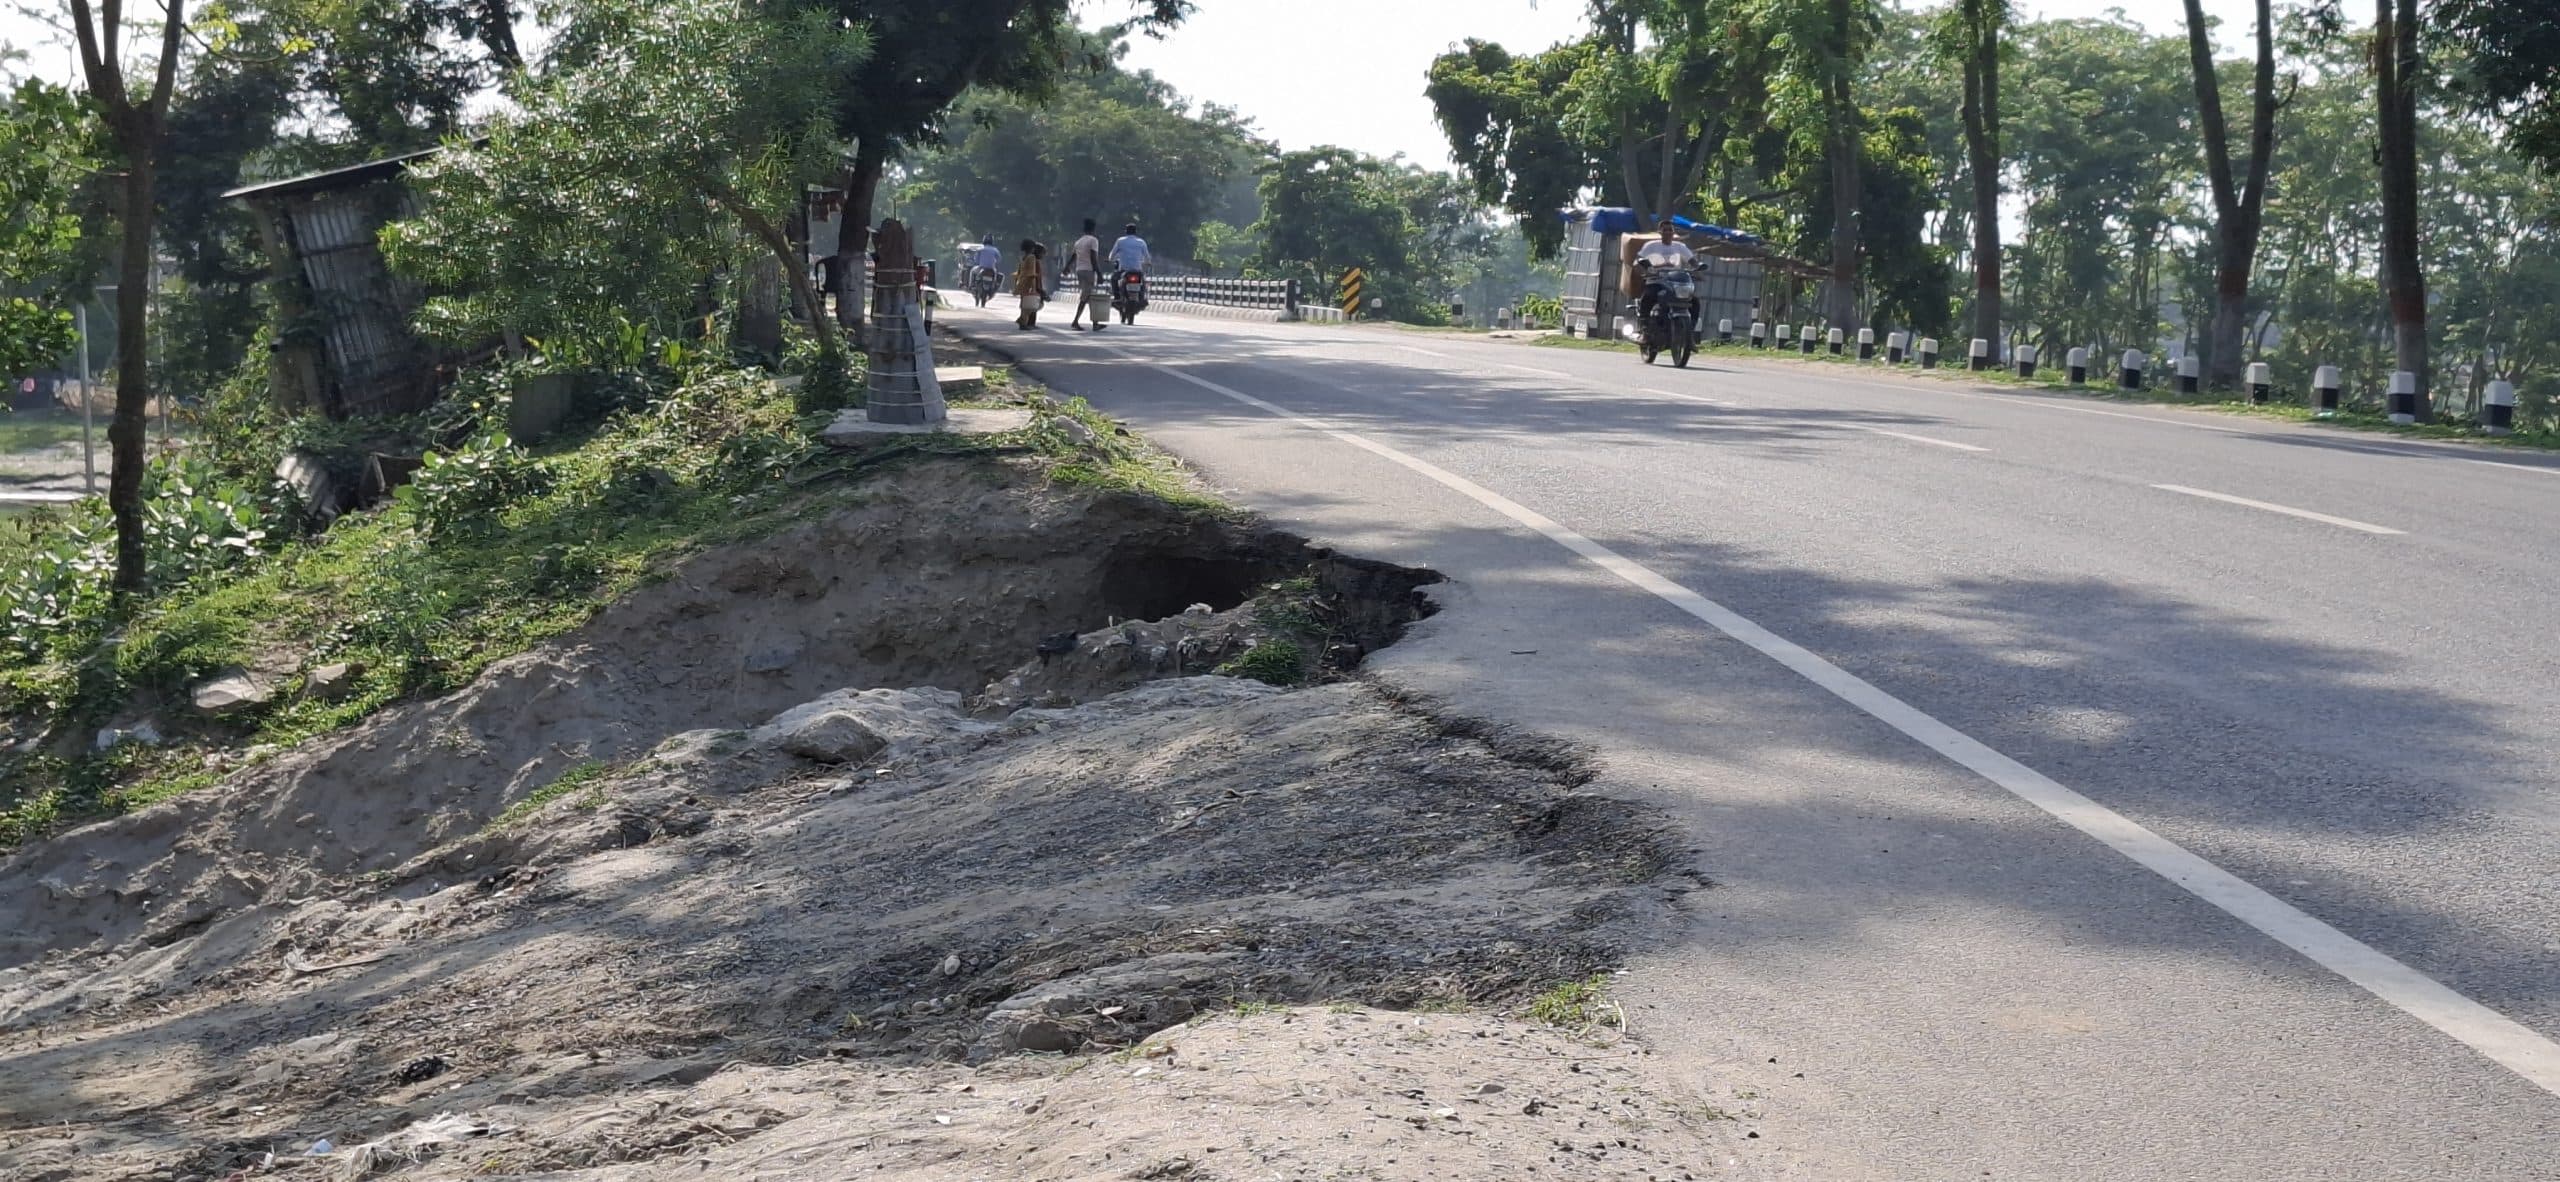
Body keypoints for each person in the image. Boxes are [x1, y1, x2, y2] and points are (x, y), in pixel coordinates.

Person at [1633, 219, 1698, 327]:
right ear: (1660, 232)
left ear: (1673, 232)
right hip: (1656, 281)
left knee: (1694, 301)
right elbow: (1637, 261)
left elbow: (1693, 261)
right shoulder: (1651, 246)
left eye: (1670, 230)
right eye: (1665, 230)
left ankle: (1691, 328)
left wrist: (1697, 268)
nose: (1668, 232)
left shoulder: (1680, 246)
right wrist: (1645, 271)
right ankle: (1644, 325)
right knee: (1648, 297)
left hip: (1675, 283)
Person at [1065, 218, 1102, 330]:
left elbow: (1074, 256)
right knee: (1085, 296)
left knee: (1089, 296)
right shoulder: (1093, 240)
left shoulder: (1079, 241)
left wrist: (1067, 267)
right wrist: (1099, 273)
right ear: (1093, 229)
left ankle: (1095, 323)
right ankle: (1075, 321)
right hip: (1088, 270)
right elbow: (1093, 258)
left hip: (1079, 270)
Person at [1011, 239, 1049, 329]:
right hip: (1029, 284)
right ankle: (1023, 323)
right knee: (1029, 306)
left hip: (1022, 283)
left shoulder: (1024, 258)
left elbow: (1019, 272)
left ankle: (1023, 321)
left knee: (1025, 304)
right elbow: (1032, 274)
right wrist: (1034, 287)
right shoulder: (1032, 258)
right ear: (1032, 248)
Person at [1109, 223, 1151, 301]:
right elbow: (1147, 257)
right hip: (1137, 270)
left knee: (1113, 279)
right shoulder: (1141, 242)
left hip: (1123, 270)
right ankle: (1142, 298)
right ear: (1135, 232)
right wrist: (1147, 263)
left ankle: (1117, 297)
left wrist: (1111, 260)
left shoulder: (1120, 241)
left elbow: (1112, 254)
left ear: (1126, 231)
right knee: (1143, 281)